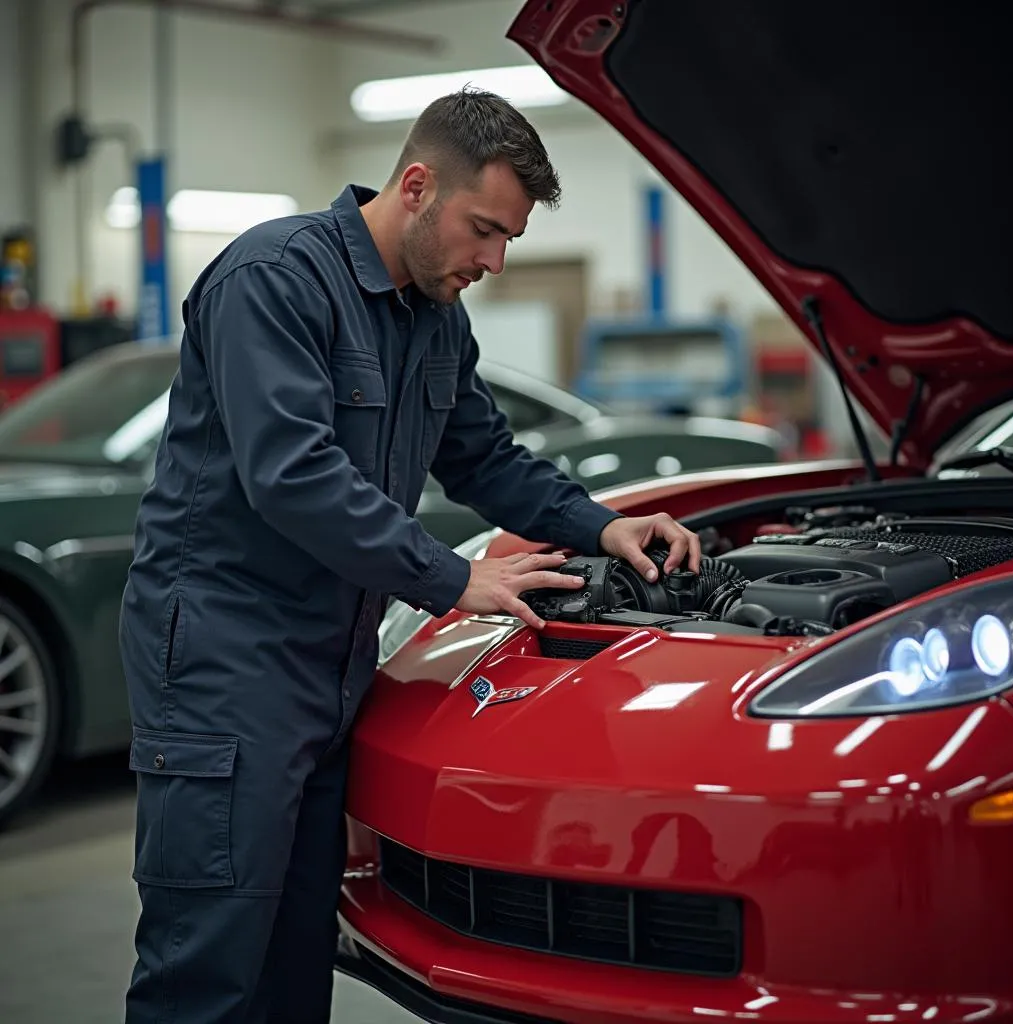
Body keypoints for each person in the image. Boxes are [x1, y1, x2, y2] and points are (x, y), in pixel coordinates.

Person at [119, 87, 701, 1023]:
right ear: (418, 185)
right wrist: (451, 578)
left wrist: (601, 527)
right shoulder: (272, 280)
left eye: (507, 238)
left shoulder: (434, 318)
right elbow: (292, 474)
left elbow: (485, 458)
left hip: (330, 669)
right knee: (207, 970)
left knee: (296, 963)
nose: (494, 260)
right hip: (224, 668)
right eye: (483, 229)